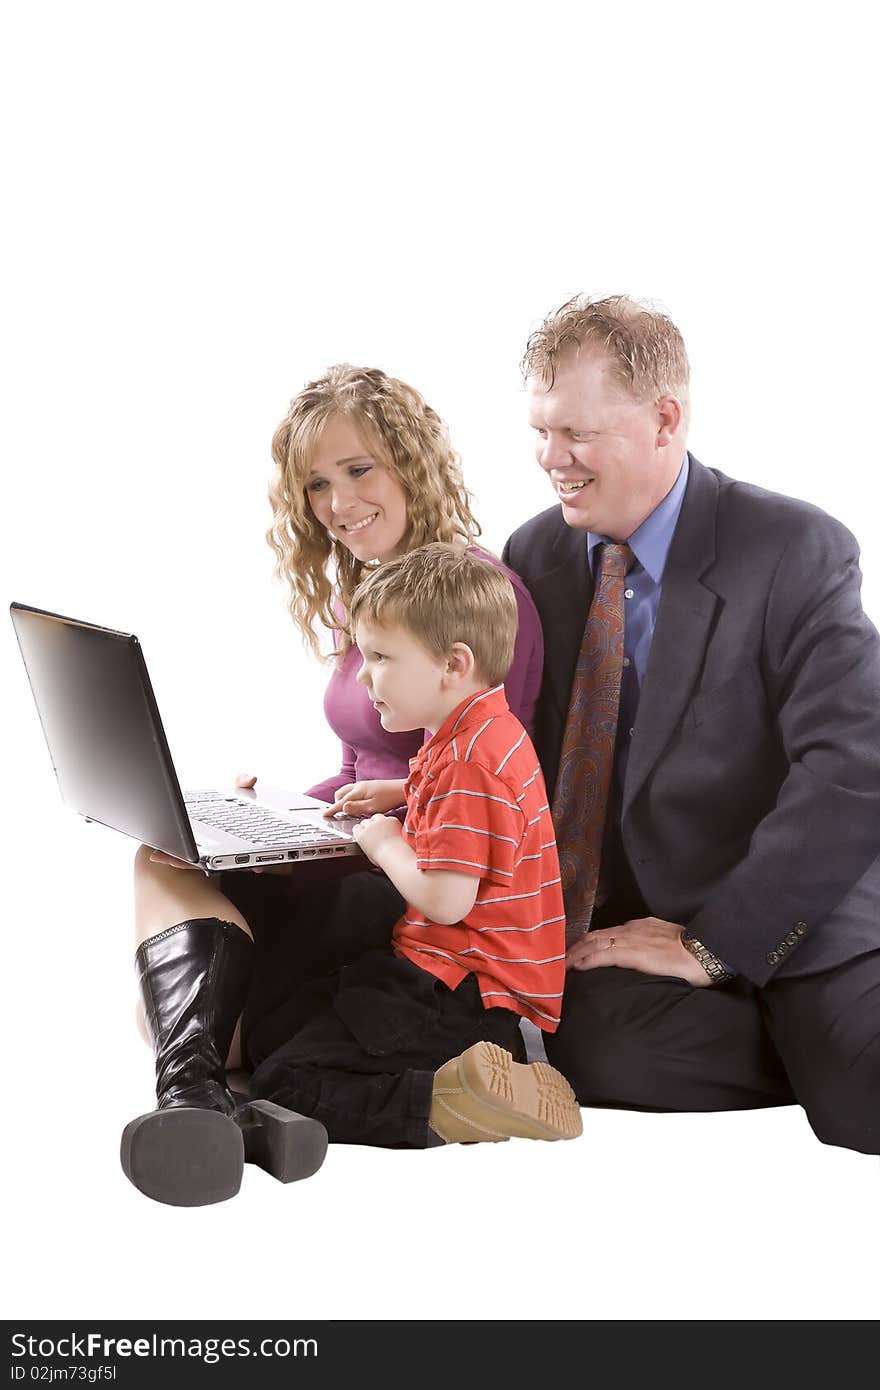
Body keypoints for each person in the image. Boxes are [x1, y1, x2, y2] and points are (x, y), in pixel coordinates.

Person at [126, 366, 545, 1204]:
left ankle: (194, 1093)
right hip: (359, 843)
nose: (337, 501)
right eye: (317, 483)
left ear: (411, 464)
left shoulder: (466, 599)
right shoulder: (375, 594)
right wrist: (277, 810)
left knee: (188, 1002)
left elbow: (485, 772)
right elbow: (363, 769)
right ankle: (205, 1094)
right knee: (168, 875)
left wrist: (366, 826)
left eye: (359, 470)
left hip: (408, 874)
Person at [502, 294, 880, 1155]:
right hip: (641, 920)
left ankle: (817, 1035)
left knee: (861, 1096)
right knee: (586, 1047)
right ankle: (795, 1045)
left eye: (576, 434)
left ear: (665, 418)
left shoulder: (792, 547)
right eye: (539, 430)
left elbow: (854, 769)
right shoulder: (536, 556)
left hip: (794, 908)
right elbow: (513, 738)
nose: (549, 458)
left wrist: (719, 947)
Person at [247, 543, 582, 1149]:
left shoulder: (464, 762)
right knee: (283, 1027)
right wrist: (400, 790)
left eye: (379, 657)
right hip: (465, 980)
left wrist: (386, 842)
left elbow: (448, 900)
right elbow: (480, 806)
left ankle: (443, 1105)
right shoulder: (483, 729)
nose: (364, 676)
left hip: (464, 991)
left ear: (453, 664)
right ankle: (461, 1077)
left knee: (281, 1079)